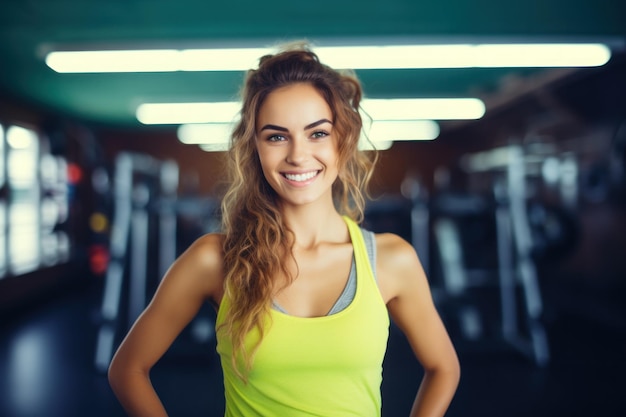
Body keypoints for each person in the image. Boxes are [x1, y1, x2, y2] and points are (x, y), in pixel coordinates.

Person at [108, 43, 460, 417]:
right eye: (276, 136)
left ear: (342, 139)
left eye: (317, 133)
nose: (297, 154)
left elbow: (443, 368)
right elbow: (128, 369)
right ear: (254, 147)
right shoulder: (215, 259)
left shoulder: (391, 260)